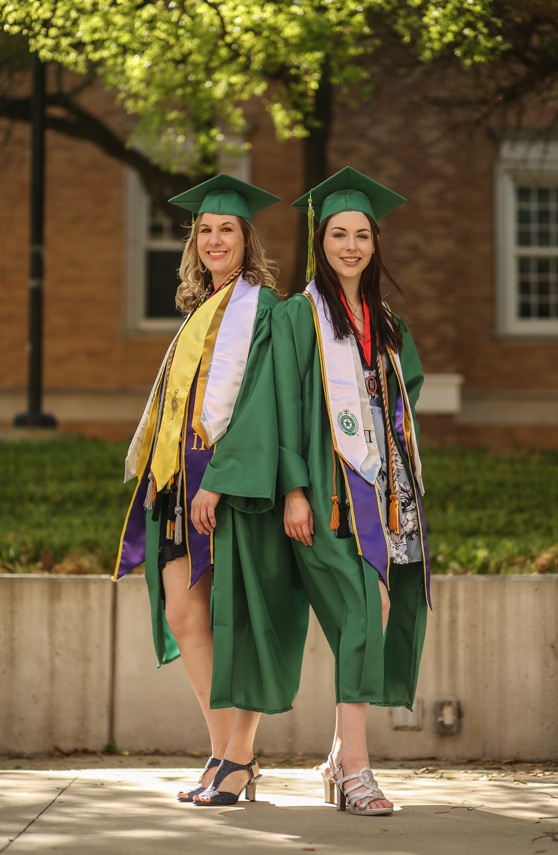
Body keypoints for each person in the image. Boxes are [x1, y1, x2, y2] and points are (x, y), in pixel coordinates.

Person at [114, 174, 308, 807]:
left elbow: (264, 407)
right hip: (177, 481)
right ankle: (226, 753)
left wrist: (221, 482)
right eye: (206, 230)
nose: (216, 239)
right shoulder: (199, 313)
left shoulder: (269, 310)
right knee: (184, 614)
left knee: (241, 617)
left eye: (228, 229)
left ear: (247, 239)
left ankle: (238, 759)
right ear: (194, 243)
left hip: (233, 485)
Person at [272, 166, 431, 816]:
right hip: (327, 499)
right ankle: (357, 768)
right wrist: (295, 490)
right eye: (339, 233)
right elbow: (284, 405)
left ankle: (342, 756)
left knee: (378, 614)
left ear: (374, 242)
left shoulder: (386, 321)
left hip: (383, 496)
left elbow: (406, 391)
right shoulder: (296, 317)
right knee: (364, 612)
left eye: (361, 234)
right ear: (322, 241)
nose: (351, 245)